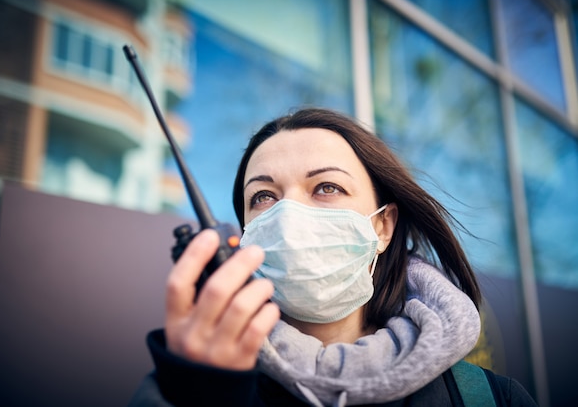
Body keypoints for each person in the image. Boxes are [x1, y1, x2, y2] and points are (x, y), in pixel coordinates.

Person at [129, 108, 537, 406]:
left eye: (326, 187)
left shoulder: (492, 399)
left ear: (382, 226)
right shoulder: (193, 388)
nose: (289, 216)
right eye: (264, 196)